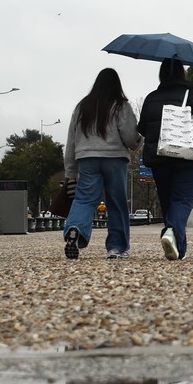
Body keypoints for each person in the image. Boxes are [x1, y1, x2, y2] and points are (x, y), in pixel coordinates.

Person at [137, 58, 193, 260]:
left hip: (159, 156)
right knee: (182, 200)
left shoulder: (152, 98)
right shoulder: (192, 96)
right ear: (182, 74)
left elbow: (142, 128)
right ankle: (171, 232)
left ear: (162, 74)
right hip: (186, 157)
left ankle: (179, 249)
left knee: (168, 201)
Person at [63, 68, 142, 260]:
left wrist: (70, 172)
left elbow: (71, 141)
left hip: (87, 160)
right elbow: (131, 138)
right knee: (117, 203)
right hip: (114, 160)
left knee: (84, 199)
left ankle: (75, 228)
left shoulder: (82, 106)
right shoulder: (120, 106)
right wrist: (139, 140)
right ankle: (116, 247)